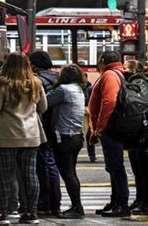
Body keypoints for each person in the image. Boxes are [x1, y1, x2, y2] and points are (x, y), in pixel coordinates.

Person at [0, 52, 47, 224]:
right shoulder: (36, 83)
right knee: (30, 175)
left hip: (5, 137)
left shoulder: (2, 85)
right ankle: (31, 214)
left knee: (4, 176)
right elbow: (43, 107)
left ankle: (2, 213)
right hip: (31, 136)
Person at [88, 51, 130, 217]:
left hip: (112, 127)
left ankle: (121, 203)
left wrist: (100, 127)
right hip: (115, 126)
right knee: (113, 166)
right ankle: (116, 200)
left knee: (116, 166)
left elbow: (109, 101)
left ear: (103, 61)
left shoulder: (109, 75)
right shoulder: (118, 73)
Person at [47, 64, 86, 219]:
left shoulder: (63, 89)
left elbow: (44, 102)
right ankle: (77, 205)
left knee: (68, 174)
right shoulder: (79, 89)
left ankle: (77, 207)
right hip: (76, 136)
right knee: (72, 173)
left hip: (64, 137)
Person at [122, 60, 148, 215]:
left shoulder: (140, 82)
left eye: (126, 68)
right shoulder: (140, 81)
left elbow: (140, 105)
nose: (123, 70)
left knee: (144, 169)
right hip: (140, 130)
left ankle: (147, 201)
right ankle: (142, 199)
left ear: (134, 70)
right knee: (140, 169)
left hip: (142, 131)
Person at [28, 51, 61, 215]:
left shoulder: (37, 80)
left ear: (33, 64)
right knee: (52, 163)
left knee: (42, 165)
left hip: (42, 126)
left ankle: (45, 201)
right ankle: (55, 201)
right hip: (56, 126)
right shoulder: (57, 77)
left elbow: (37, 105)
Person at [83, 73, 96, 162]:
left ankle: (92, 154)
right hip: (82, 113)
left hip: (88, 113)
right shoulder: (82, 88)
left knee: (88, 134)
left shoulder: (90, 88)